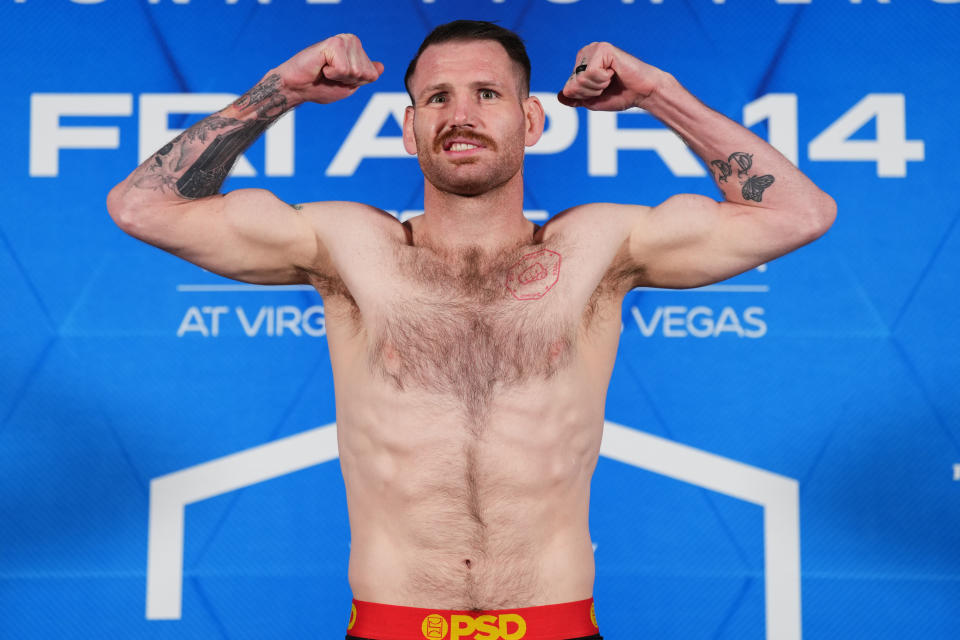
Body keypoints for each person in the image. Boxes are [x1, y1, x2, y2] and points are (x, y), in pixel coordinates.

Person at [107, 20, 835, 640]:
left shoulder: (597, 250)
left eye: (488, 94)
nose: (461, 114)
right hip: (391, 622)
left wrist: (655, 94)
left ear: (532, 120)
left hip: (556, 622)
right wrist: (284, 89)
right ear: (408, 128)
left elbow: (797, 214)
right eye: (437, 98)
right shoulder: (349, 249)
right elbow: (145, 207)